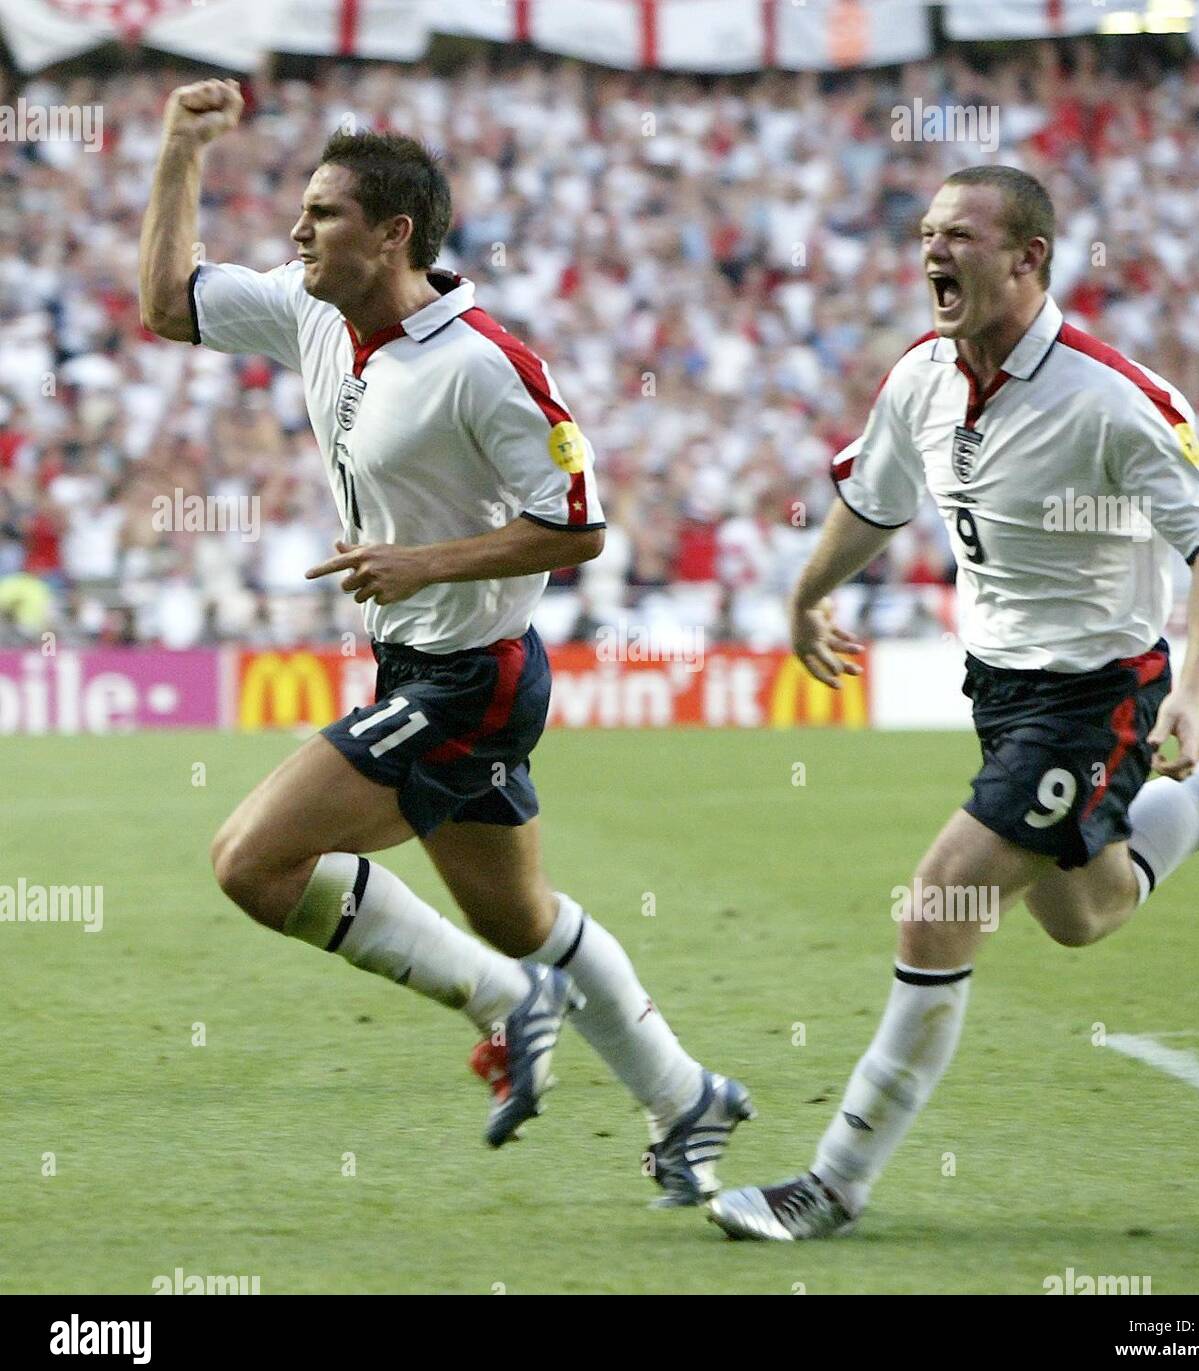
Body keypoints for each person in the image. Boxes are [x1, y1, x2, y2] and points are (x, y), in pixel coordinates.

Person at [139, 79, 751, 1205]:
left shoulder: (485, 363)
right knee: (526, 919)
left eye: (321, 214)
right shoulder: (312, 311)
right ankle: (685, 1098)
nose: (295, 231)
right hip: (421, 666)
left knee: (252, 859)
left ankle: (501, 1002)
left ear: (394, 232)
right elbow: (169, 306)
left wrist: (423, 563)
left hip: (471, 676)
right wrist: (180, 151)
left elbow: (581, 526)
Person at [708, 165, 1199, 1240]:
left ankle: (831, 1180)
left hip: (1096, 694)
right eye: (927, 233)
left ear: (1027, 258)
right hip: (999, 687)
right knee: (1083, 912)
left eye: (962, 236)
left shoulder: (1111, 397)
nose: (934, 251)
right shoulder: (924, 377)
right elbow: (870, 500)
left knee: (937, 906)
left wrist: (1197, 691)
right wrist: (804, 596)